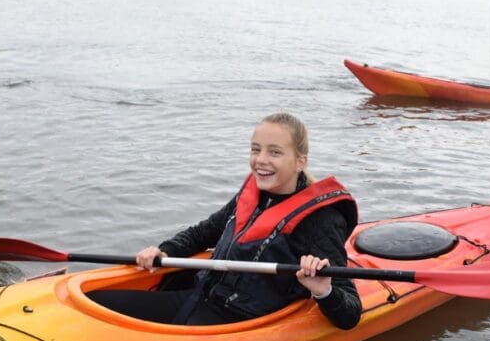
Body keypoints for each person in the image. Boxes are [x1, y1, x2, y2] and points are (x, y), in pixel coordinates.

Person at [87, 113, 362, 329]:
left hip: (240, 321)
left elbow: (350, 314)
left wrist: (323, 291)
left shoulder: (322, 219)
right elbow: (205, 232)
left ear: (300, 161)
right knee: (95, 303)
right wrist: (164, 250)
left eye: (275, 152)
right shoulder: (253, 195)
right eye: (256, 149)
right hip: (199, 296)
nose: (260, 160)